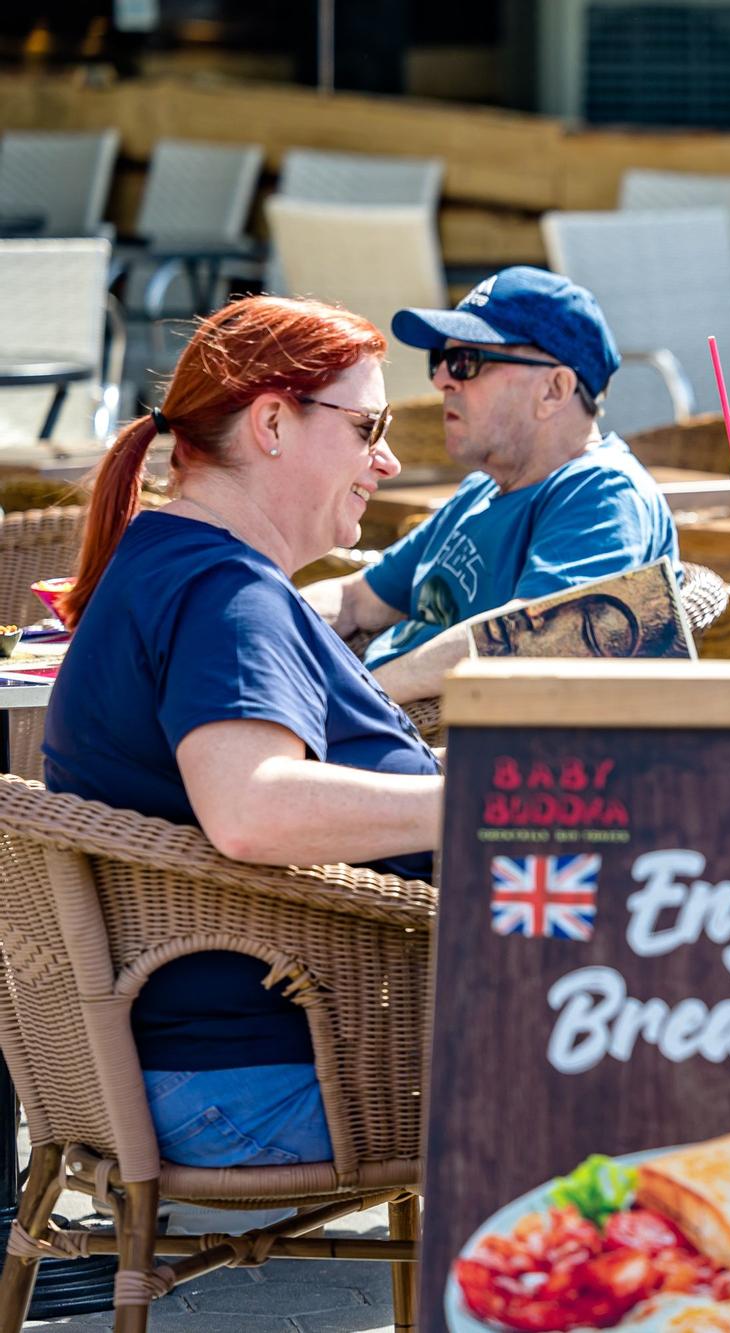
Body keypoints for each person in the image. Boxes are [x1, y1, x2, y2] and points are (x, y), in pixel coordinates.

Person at [44, 295, 444, 1169]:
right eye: (367, 424)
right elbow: (252, 808)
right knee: (634, 1058)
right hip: (262, 1077)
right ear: (271, 423)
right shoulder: (227, 594)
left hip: (202, 1067)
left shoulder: (172, 560)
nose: (388, 457)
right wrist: (483, 802)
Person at [302, 267, 679, 703]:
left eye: (466, 363)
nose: (441, 379)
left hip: (435, 748)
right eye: (440, 360)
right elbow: (356, 600)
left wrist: (355, 703)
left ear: (554, 389)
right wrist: (259, 627)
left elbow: (535, 637)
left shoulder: (601, 492)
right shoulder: (481, 490)